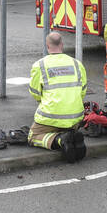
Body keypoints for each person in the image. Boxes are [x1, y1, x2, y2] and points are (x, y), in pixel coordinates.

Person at [27, 31, 87, 162]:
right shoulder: (77, 64)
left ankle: (59, 140)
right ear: (62, 45)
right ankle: (71, 135)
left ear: (47, 46)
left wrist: (45, 101)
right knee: (67, 126)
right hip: (75, 118)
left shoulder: (40, 65)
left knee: (33, 136)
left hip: (50, 117)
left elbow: (35, 93)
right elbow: (83, 91)